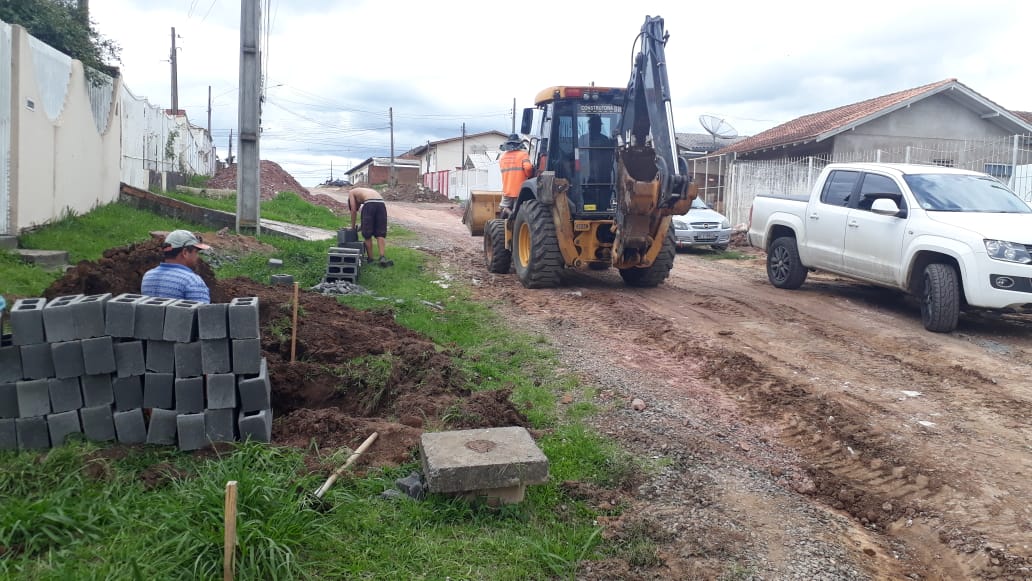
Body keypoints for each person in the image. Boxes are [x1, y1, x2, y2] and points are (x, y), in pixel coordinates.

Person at [141, 229, 212, 303]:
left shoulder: (148, 276)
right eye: (196, 252)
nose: (197, 257)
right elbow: (203, 314)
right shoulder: (192, 281)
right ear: (185, 252)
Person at [348, 186, 392, 267]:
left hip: (370, 204)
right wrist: (362, 226)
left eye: (359, 207)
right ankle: (382, 257)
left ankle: (370, 259)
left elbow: (353, 210)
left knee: (367, 234)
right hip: (381, 204)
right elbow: (368, 222)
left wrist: (353, 227)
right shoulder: (364, 191)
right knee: (380, 233)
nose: (359, 207)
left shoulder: (351, 192)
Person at [498, 133, 534, 218]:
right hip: (519, 189)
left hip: (507, 188)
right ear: (518, 143)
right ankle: (513, 214)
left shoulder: (502, 157)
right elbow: (528, 168)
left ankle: (508, 212)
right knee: (517, 208)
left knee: (504, 206)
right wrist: (528, 175)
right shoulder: (523, 154)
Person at [578, 114, 615, 185]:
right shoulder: (582, 140)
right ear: (590, 127)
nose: (597, 128)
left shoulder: (605, 141)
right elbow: (577, 160)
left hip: (603, 181)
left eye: (597, 126)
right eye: (594, 126)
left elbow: (609, 163)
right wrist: (579, 173)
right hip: (585, 180)